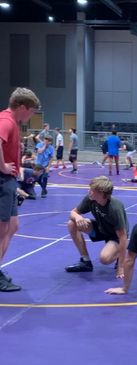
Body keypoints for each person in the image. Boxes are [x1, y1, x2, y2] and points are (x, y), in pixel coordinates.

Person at [0, 87, 41, 292]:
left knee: (12, 225)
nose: (32, 115)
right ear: (22, 107)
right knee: (2, 230)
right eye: (32, 111)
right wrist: (3, 167)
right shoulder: (7, 121)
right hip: (2, 179)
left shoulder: (10, 121)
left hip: (8, 181)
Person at [65, 176, 128, 277]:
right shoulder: (90, 199)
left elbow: (123, 237)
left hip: (115, 236)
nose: (89, 191)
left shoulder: (115, 207)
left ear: (101, 193)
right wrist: (77, 217)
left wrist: (121, 267)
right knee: (72, 223)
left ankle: (119, 254)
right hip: (101, 228)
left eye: (92, 190)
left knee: (104, 259)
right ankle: (86, 261)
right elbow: (73, 213)